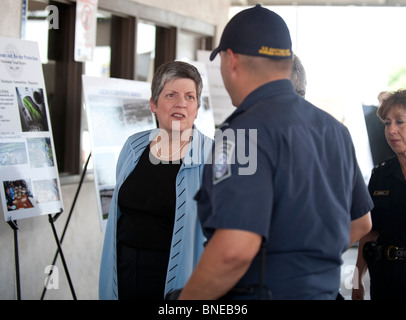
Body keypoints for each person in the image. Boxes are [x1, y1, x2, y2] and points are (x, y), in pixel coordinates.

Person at [178, 5, 373, 300]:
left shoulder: (241, 134)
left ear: (231, 60)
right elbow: (360, 222)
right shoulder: (334, 130)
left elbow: (233, 251)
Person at [99, 61, 213, 300]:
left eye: (190, 97)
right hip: (125, 271)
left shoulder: (212, 157)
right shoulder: (133, 147)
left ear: (197, 107)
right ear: (153, 104)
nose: (181, 103)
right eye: (171, 95)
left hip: (176, 279)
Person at [352, 89, 406, 300]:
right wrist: (357, 282)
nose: (391, 129)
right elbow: (368, 232)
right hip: (385, 281)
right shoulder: (380, 174)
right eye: (387, 123)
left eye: (399, 122)